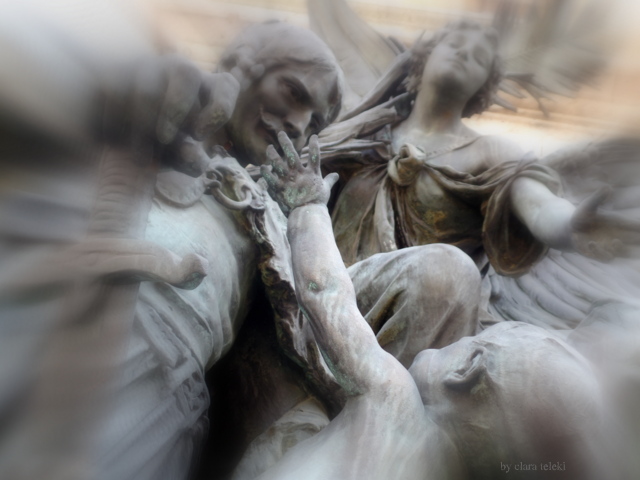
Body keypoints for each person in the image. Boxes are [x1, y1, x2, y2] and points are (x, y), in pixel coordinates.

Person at [258, 131, 616, 480]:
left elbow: (325, 292)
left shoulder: (392, 401)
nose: (459, 335)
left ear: (466, 369)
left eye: (471, 338)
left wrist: (308, 208)